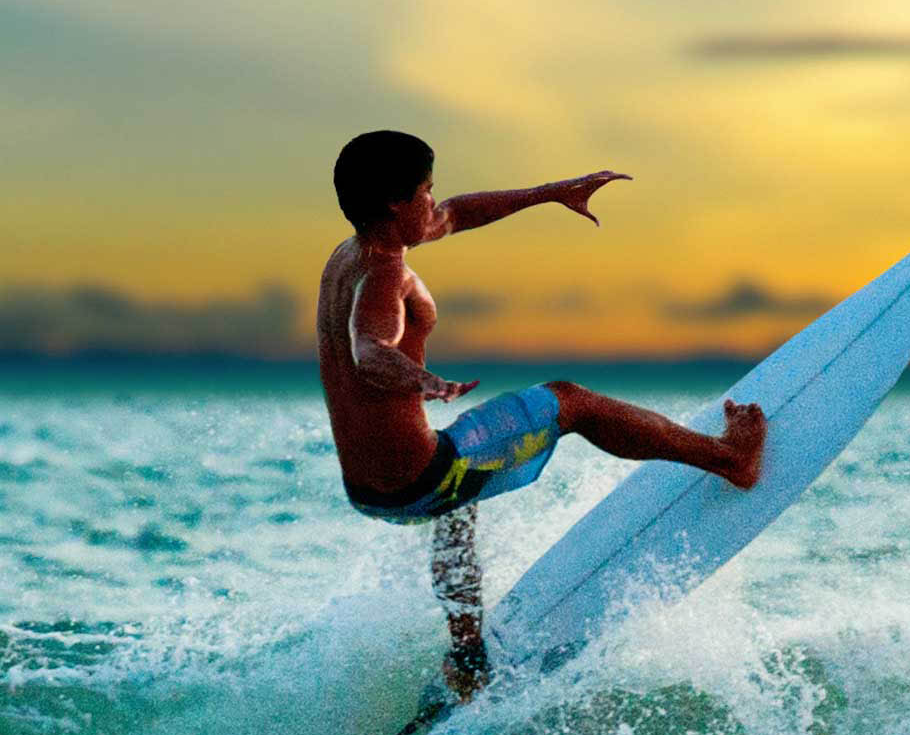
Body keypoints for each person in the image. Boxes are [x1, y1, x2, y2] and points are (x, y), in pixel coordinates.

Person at [318, 129, 766, 697]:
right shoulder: (385, 272)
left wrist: (549, 193)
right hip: (423, 478)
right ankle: (730, 459)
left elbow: (456, 215)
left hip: (370, 492)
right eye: (426, 192)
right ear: (394, 203)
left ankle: (468, 657)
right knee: (568, 401)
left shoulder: (350, 255)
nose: (435, 203)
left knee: (462, 498)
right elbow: (369, 350)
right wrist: (423, 379)